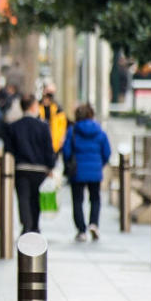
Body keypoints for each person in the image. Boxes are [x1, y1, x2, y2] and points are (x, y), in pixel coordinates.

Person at [5, 95, 55, 234]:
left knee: (23, 198)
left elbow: (9, 149)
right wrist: (50, 166)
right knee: (36, 197)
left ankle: (26, 224)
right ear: (33, 106)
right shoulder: (43, 126)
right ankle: (35, 225)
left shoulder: (14, 127)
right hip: (40, 169)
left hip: (21, 168)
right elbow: (48, 148)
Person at [62, 103, 111, 242]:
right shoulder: (100, 131)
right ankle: (94, 223)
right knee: (95, 198)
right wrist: (99, 164)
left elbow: (66, 152)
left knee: (77, 201)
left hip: (77, 171)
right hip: (95, 171)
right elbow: (107, 152)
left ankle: (81, 230)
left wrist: (68, 164)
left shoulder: (72, 131)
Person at [38, 84, 68, 155]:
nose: (46, 99)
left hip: (54, 143)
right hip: (40, 142)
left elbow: (62, 126)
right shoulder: (38, 107)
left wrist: (60, 140)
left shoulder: (58, 109)